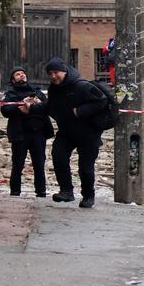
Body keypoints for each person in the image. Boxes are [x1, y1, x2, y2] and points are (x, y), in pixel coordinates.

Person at [45, 56, 108, 209]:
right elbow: (51, 107)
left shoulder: (81, 86)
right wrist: (33, 108)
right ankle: (66, 191)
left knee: (85, 168)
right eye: (50, 73)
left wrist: (80, 111)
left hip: (89, 133)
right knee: (58, 156)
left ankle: (88, 196)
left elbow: (101, 101)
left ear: (64, 71)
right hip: (67, 132)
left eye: (56, 72)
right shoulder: (53, 89)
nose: (53, 76)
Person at [1, 65, 53, 197]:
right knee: (18, 165)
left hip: (38, 133)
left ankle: (41, 192)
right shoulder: (10, 94)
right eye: (18, 74)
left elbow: (48, 106)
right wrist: (21, 104)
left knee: (39, 164)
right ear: (13, 80)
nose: (22, 75)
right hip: (20, 134)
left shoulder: (36, 91)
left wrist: (37, 102)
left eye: (23, 73)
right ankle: (15, 192)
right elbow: (5, 110)